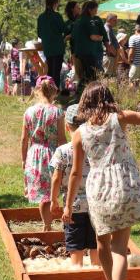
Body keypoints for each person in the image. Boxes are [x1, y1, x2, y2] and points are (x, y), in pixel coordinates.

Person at [62, 76, 140, 280]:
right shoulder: (119, 118)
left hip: (97, 189)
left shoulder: (79, 134)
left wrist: (68, 205)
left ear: (84, 103)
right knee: (120, 248)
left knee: (102, 244)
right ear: (108, 99)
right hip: (124, 185)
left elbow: (75, 173)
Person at [50, 104, 99, 268]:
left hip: (73, 207)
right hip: (95, 204)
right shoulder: (95, 148)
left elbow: (56, 178)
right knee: (95, 243)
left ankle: (77, 272)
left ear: (66, 126)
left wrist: (53, 200)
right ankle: (97, 270)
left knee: (75, 245)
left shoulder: (62, 151)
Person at [21, 75, 66, 231]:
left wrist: (23, 159)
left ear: (37, 91)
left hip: (34, 154)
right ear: (54, 92)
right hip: (53, 154)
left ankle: (47, 225)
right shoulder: (58, 112)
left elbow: (24, 139)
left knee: (43, 195)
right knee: (52, 191)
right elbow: (62, 139)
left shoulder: (29, 112)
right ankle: (50, 226)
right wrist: (66, 158)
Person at [71, 1, 103, 90]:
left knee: (84, 73)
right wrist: (100, 37)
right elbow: (93, 37)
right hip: (88, 52)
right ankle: (91, 93)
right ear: (90, 10)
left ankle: (81, 91)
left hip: (79, 52)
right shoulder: (89, 20)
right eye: (95, 9)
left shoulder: (78, 20)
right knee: (92, 75)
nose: (96, 11)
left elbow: (73, 36)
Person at [37, 0, 66, 89]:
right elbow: (64, 29)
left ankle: (48, 91)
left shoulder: (41, 17)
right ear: (55, 3)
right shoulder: (57, 16)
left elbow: (39, 34)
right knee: (56, 71)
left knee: (49, 71)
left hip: (47, 47)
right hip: (58, 47)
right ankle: (55, 91)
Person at [64, 1, 82, 84]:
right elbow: (65, 38)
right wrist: (71, 35)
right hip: (75, 51)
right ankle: (79, 90)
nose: (80, 8)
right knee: (78, 73)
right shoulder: (68, 23)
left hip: (87, 50)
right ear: (72, 9)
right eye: (77, 7)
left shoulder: (83, 20)